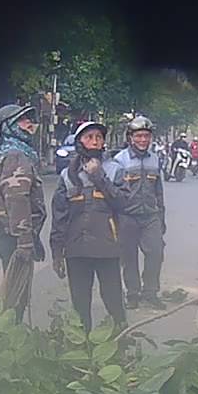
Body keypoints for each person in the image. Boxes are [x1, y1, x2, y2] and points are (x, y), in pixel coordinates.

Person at [50, 121, 129, 333]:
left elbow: (123, 203)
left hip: (107, 248)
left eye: (99, 137)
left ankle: (121, 339)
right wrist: (57, 252)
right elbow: (59, 216)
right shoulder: (67, 175)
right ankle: (83, 346)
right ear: (79, 142)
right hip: (76, 250)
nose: (95, 142)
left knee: (113, 299)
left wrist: (99, 177)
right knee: (80, 304)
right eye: (89, 137)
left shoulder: (114, 170)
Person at [0, 103, 46, 322]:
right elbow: (17, 200)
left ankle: (10, 332)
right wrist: (25, 242)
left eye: (29, 119)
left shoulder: (11, 153)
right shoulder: (16, 156)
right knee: (16, 296)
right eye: (22, 120)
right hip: (14, 238)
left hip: (9, 235)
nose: (29, 124)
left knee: (14, 294)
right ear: (8, 126)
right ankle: (11, 337)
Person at [106, 115, 167, 311]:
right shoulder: (119, 160)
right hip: (126, 217)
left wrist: (162, 217)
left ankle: (150, 292)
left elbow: (158, 191)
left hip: (150, 216)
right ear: (131, 137)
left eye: (146, 136)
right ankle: (132, 294)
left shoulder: (155, 159)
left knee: (156, 253)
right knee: (129, 257)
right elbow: (112, 192)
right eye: (139, 136)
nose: (143, 140)